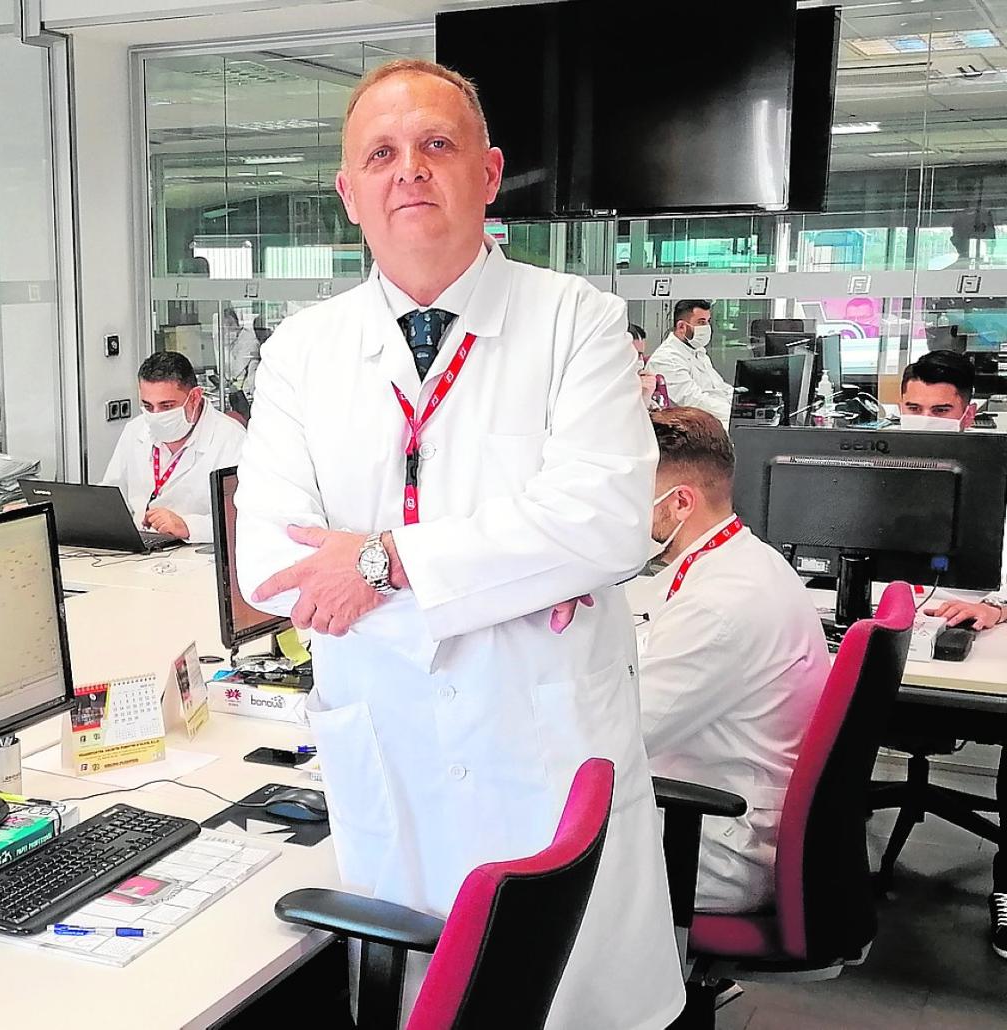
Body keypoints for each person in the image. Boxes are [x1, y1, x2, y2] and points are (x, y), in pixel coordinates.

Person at [233, 58, 683, 1029]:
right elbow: (267, 561)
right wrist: (515, 563)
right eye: (382, 153)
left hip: (545, 748)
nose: (411, 170)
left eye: (438, 144)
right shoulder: (301, 353)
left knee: (564, 1002)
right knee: (420, 997)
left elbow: (603, 523)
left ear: (488, 172)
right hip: (385, 741)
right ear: (348, 193)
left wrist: (377, 561)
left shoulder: (579, 322)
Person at [636, 407, 830, 911]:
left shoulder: (721, 604)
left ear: (680, 502)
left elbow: (617, 739)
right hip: (715, 801)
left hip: (710, 843)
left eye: (627, 496)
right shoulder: (741, 560)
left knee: (509, 831)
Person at [898, 349, 1007, 958]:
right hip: (887, 627)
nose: (925, 420)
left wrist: (999, 607)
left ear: (967, 414)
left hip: (974, 640)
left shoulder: (998, 469)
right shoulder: (877, 460)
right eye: (913, 408)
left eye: (941, 410)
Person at [101, 350, 244, 544]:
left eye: (167, 406)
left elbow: (246, 521)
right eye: (148, 406)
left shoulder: (231, 439)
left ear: (194, 397)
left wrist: (188, 526)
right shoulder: (135, 430)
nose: (156, 415)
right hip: (141, 550)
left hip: (200, 555)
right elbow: (109, 500)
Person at [646, 299, 733, 424]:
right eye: (701, 322)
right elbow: (693, 401)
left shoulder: (697, 352)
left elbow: (720, 388)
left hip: (715, 416)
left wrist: (742, 404)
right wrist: (732, 412)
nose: (707, 327)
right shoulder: (667, 359)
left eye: (708, 322)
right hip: (694, 424)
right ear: (681, 326)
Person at [221, 307, 261, 394]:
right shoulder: (235, 340)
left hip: (247, 389)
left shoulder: (248, 340)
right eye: (224, 327)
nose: (228, 329)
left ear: (238, 323)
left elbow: (236, 370)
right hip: (239, 386)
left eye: (230, 324)